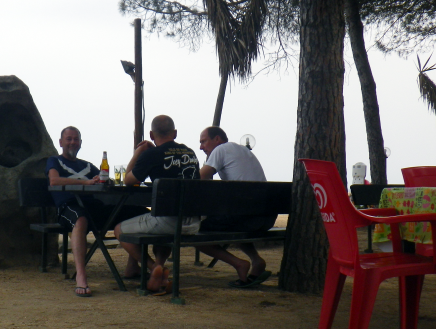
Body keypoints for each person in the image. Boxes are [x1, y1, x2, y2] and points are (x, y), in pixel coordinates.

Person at [45, 126, 146, 298]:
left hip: (93, 207)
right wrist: (86, 183)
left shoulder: (87, 165)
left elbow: (104, 179)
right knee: (81, 219)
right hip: (68, 207)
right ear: (61, 142)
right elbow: (54, 181)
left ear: (81, 143)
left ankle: (133, 266)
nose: (72, 142)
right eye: (69, 139)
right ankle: (81, 276)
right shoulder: (54, 161)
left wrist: (104, 181)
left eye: (76, 139)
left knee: (138, 212)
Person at [114, 115, 201, 294]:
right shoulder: (190, 153)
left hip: (168, 221)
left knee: (119, 230)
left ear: (151, 135)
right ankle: (158, 270)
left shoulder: (151, 155)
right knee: (161, 227)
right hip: (194, 222)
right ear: (175, 133)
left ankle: (153, 268)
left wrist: (138, 152)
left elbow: (128, 180)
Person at [197, 126, 275, 288]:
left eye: (203, 141)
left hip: (246, 217)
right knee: (233, 220)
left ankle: (239, 264)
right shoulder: (243, 150)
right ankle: (256, 261)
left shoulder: (220, 150)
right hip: (266, 217)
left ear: (217, 139)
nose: (201, 147)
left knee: (193, 232)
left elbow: (200, 178)